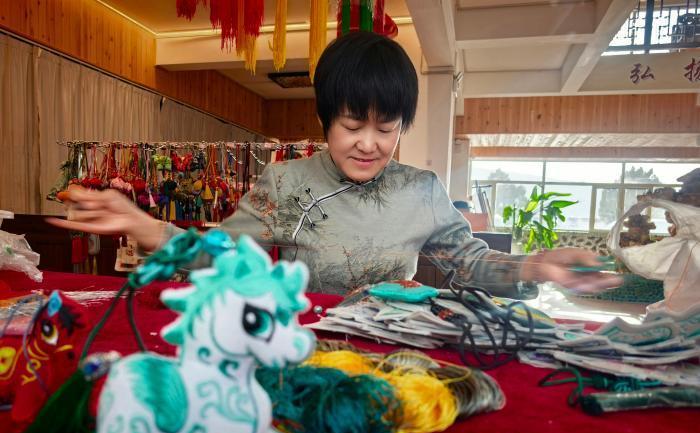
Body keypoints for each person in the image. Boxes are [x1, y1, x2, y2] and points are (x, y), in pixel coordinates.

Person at [49, 32, 620, 297]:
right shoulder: (286, 182)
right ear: (325, 119)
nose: (369, 144)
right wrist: (149, 228)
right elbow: (221, 255)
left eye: (386, 128)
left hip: (398, 349)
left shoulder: (422, 189)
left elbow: (469, 265)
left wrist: (537, 266)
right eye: (352, 125)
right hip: (304, 343)